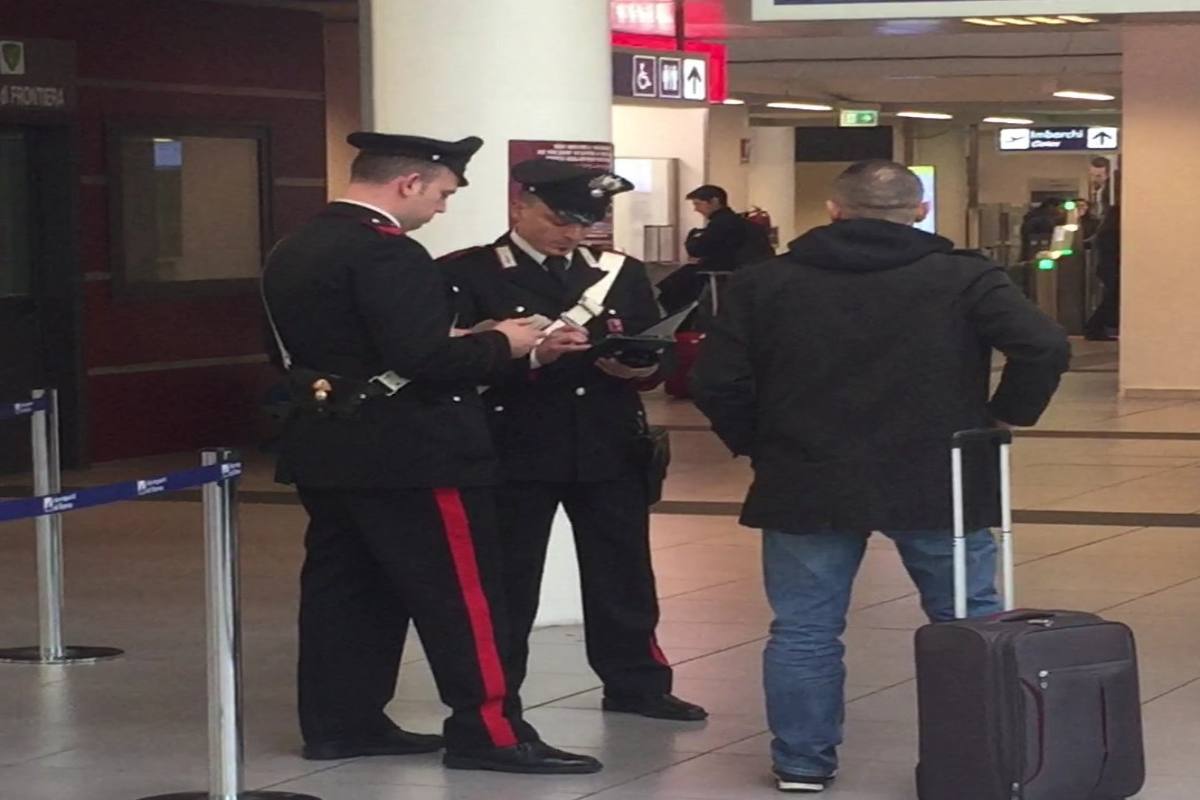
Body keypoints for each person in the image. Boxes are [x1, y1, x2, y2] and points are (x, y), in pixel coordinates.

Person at [691, 161, 1070, 793]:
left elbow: (716, 380)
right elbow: (1044, 346)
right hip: (940, 474)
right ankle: (984, 756)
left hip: (806, 476)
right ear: (920, 211)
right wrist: (1003, 415)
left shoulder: (766, 281)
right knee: (970, 625)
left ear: (834, 210)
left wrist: (760, 443)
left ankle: (803, 764)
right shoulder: (965, 276)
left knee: (805, 629)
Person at [262, 132, 601, 775]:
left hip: (326, 444)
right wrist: (505, 341)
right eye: (442, 193)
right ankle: (490, 731)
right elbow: (425, 359)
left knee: (347, 590)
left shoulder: (293, 248)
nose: (443, 207)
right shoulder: (391, 255)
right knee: (464, 596)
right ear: (408, 184)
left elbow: (316, 348)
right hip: (415, 449)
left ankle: (342, 723)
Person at [442, 158, 708, 724]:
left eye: (583, 221)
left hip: (607, 443)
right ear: (520, 206)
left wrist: (640, 369)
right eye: (559, 219)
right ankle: (499, 694)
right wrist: (530, 355)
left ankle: (637, 682)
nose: (571, 233)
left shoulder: (619, 270)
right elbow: (451, 363)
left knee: (624, 572)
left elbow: (650, 345)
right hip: (515, 444)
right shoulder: (472, 273)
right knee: (510, 580)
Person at [657, 184, 774, 315]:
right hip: (748, 274)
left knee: (671, 291)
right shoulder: (745, 224)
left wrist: (693, 238)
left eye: (698, 204)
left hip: (722, 274)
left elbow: (697, 249)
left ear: (714, 201)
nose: (696, 209)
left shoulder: (722, 223)